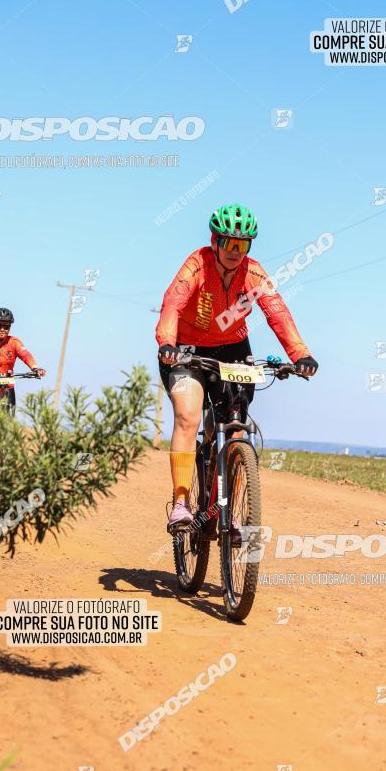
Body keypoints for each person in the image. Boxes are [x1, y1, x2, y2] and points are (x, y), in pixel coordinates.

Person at [156, 203, 319, 532]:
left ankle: (229, 505)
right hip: (186, 349)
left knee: (237, 423)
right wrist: (167, 344)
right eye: (229, 243)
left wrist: (300, 353)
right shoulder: (196, 265)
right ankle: (182, 503)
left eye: (242, 245)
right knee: (188, 417)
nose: (235, 251)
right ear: (214, 241)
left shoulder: (254, 274)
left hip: (232, 349)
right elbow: (172, 303)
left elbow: (278, 313)